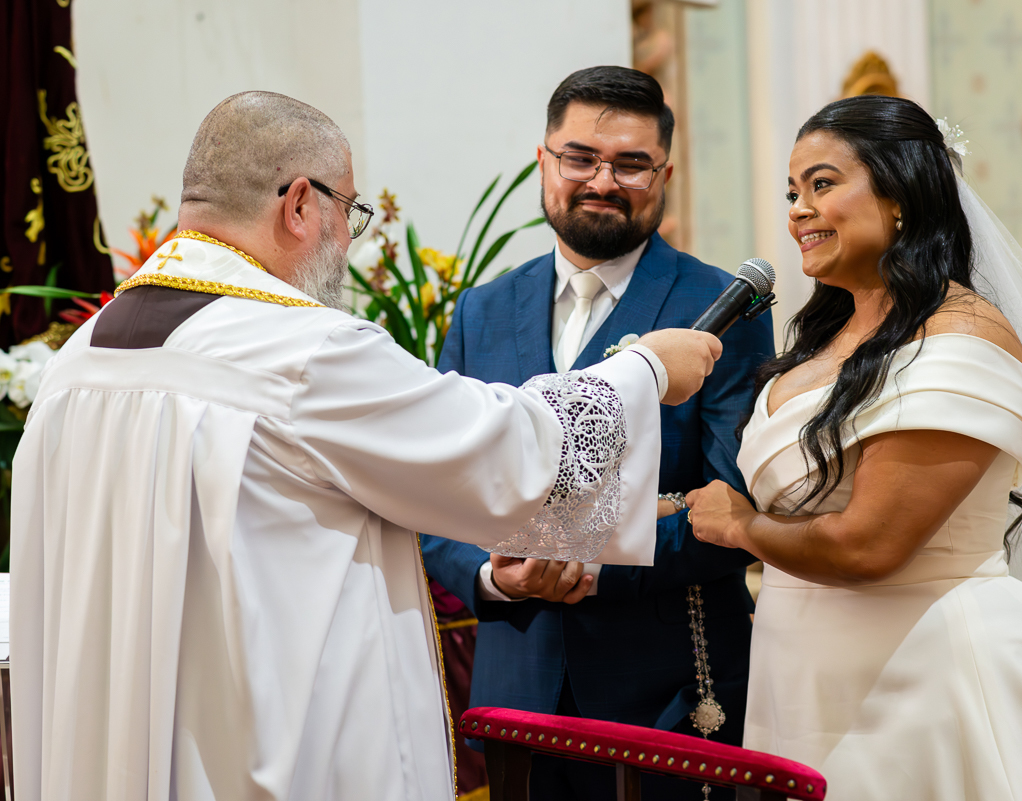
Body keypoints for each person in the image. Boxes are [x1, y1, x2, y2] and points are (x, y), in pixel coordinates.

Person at [9, 90, 724, 801]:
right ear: (298, 204)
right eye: (349, 211)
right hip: (264, 752)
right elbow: (505, 452)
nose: (348, 241)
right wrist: (646, 369)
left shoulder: (79, 363)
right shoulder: (300, 350)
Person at [687, 95, 1022, 799]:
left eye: (823, 184)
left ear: (899, 195)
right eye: (792, 191)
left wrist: (740, 524)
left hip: (926, 672)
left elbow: (870, 547)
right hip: (801, 670)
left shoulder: (963, 337)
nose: (797, 210)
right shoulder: (823, 339)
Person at [421, 66, 774, 800]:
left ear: (665, 173)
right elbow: (437, 493)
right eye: (580, 157)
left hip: (670, 690)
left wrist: (583, 561)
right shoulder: (482, 309)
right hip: (516, 688)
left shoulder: (718, 304)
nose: (602, 180)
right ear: (543, 161)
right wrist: (494, 574)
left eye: (631, 163)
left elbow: (728, 498)